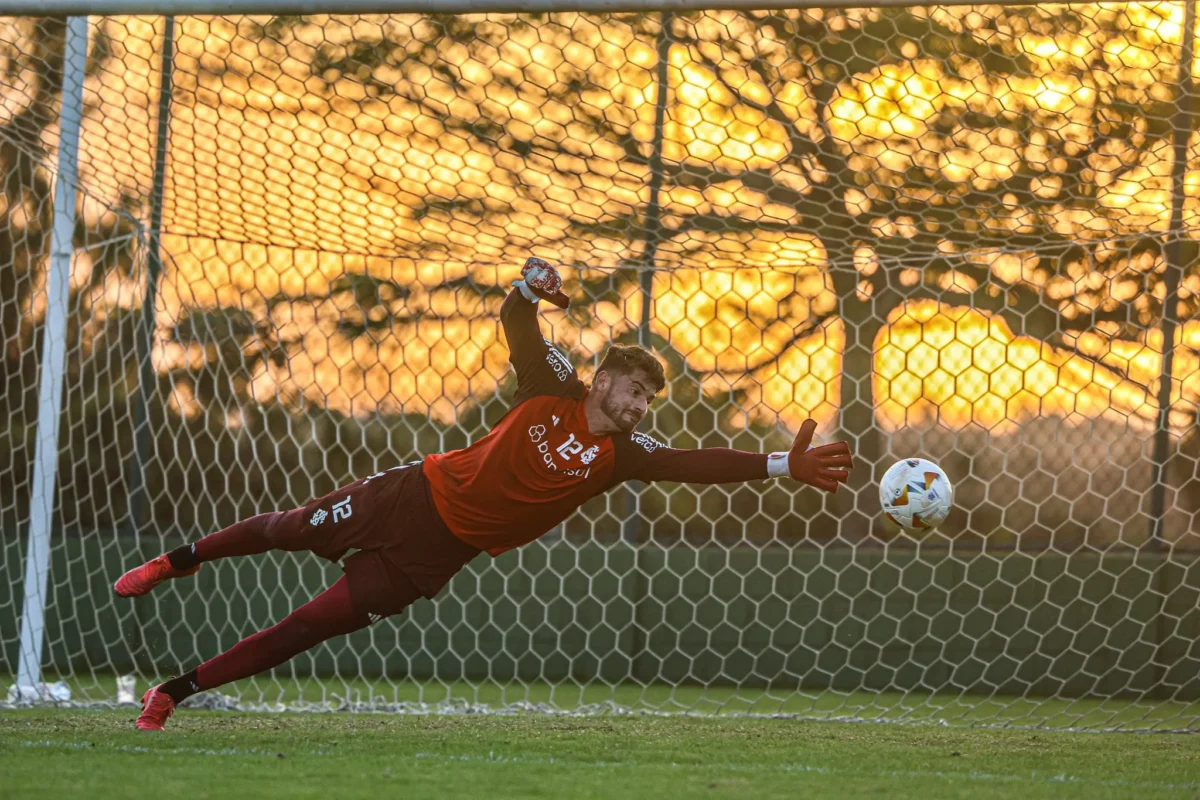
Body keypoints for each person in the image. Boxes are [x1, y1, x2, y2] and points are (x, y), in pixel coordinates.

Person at [115, 257, 854, 730]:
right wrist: (527, 288)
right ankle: (172, 562)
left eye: (647, 402)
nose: (637, 408)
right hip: (409, 494)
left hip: (433, 556)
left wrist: (782, 467)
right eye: (632, 392)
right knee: (283, 529)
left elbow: (696, 463)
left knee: (308, 626)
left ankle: (174, 692)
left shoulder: (621, 456)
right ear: (603, 381)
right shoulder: (550, 387)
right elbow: (518, 323)